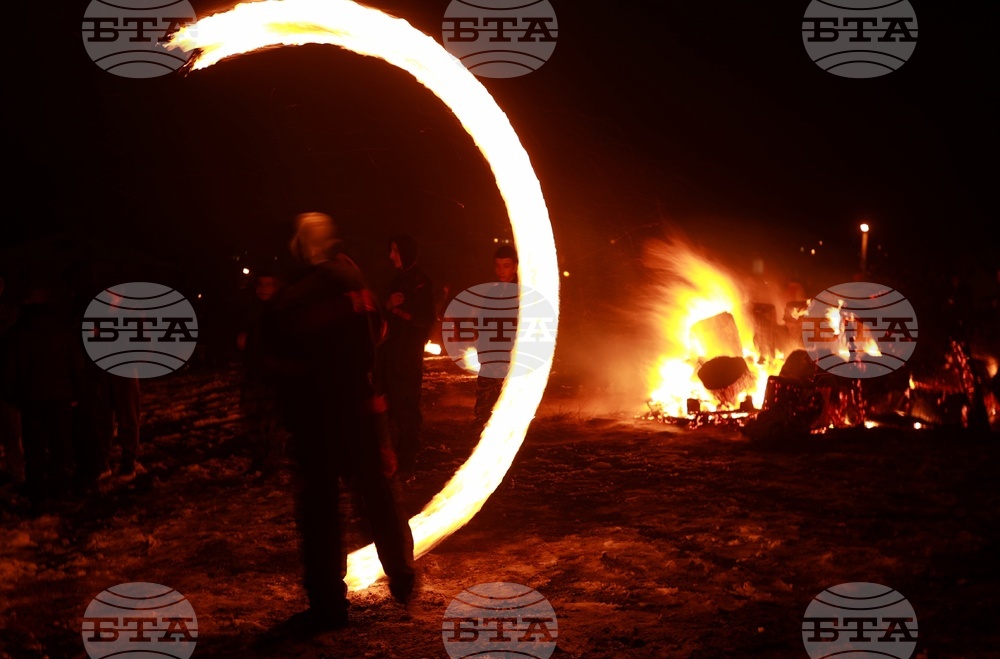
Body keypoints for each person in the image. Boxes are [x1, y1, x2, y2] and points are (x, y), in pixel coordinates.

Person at [261, 212, 415, 631]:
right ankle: (402, 577)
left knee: (322, 509)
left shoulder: (302, 292)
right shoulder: (354, 278)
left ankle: (328, 603)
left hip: (323, 417)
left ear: (301, 244)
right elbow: (378, 331)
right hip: (364, 407)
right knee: (379, 493)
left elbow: (277, 352)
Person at [1, 274, 86, 511]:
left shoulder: (17, 333)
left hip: (31, 401)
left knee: (34, 448)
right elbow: (76, 365)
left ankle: (38, 494)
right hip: (60, 399)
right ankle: (62, 489)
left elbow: (10, 371)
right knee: (61, 446)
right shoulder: (62, 329)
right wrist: (78, 393)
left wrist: (13, 397)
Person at [378, 234, 435, 480]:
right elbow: (384, 318)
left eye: (395, 251)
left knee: (407, 411)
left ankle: (407, 463)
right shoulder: (396, 281)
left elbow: (425, 319)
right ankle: (390, 462)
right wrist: (388, 306)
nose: (391, 256)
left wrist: (406, 314)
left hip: (408, 359)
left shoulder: (421, 281)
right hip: (389, 357)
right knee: (388, 410)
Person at [235, 269, 287, 477]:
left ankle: (271, 461)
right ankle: (258, 459)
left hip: (274, 375)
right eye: (262, 285)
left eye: (270, 284)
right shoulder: (252, 311)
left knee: (273, 421)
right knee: (253, 419)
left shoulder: (281, 311)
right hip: (254, 374)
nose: (266, 289)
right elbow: (242, 336)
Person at [473, 245, 519, 431]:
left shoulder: (520, 293)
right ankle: (481, 427)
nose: (501, 270)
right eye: (498, 265)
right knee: (485, 396)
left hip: (508, 356)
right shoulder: (493, 291)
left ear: (515, 266)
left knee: (504, 397)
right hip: (489, 355)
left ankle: (502, 431)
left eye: (506, 266)